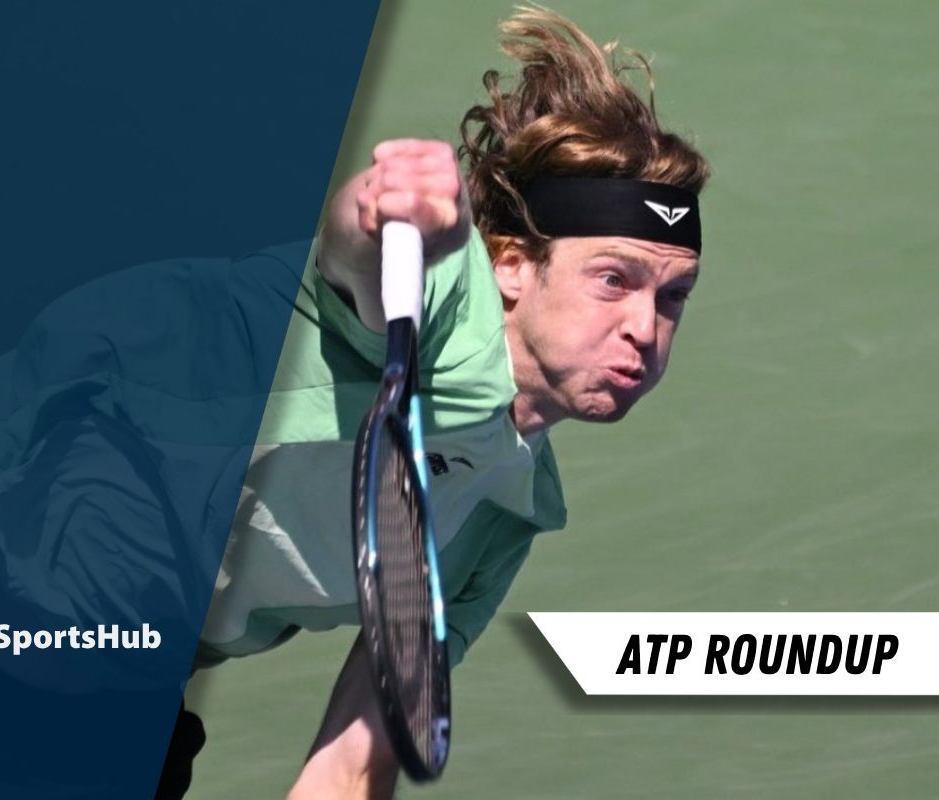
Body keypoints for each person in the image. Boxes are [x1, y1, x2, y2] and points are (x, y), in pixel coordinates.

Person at [185, 6, 710, 799]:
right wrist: (391, 207)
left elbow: (355, 763)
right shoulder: (440, 308)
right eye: (614, 279)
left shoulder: (508, 513)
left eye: (673, 296)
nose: (646, 327)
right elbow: (356, 256)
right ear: (511, 267)